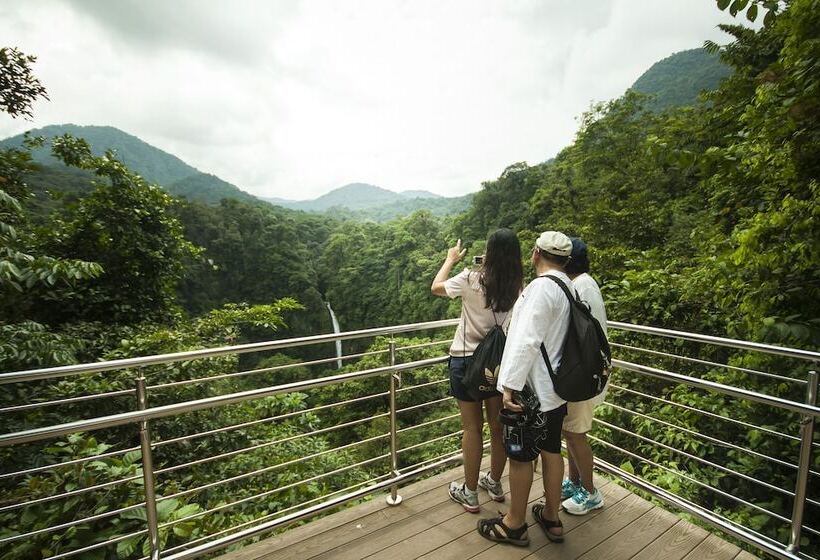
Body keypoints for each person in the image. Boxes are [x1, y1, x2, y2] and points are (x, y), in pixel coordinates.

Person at [476, 230, 573, 546]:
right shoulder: (568, 286)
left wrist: (509, 387)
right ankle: (552, 518)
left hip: (532, 392)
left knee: (519, 455)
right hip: (556, 389)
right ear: (565, 260)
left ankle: (514, 524)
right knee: (552, 450)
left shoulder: (540, 289)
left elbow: (526, 340)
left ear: (536, 254)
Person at [431, 228, 523, 512]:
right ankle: (494, 482)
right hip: (497, 364)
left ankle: (470, 493)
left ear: (489, 252)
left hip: (465, 361)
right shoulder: (518, 285)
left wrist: (451, 259)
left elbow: (436, 287)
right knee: (497, 427)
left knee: (472, 428)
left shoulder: (471, 279)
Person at [561, 237, 609, 515]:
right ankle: (575, 482)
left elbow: (581, 333)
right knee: (571, 431)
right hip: (583, 371)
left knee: (576, 434)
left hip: (584, 373)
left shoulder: (581, 287)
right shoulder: (583, 283)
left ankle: (591, 493)